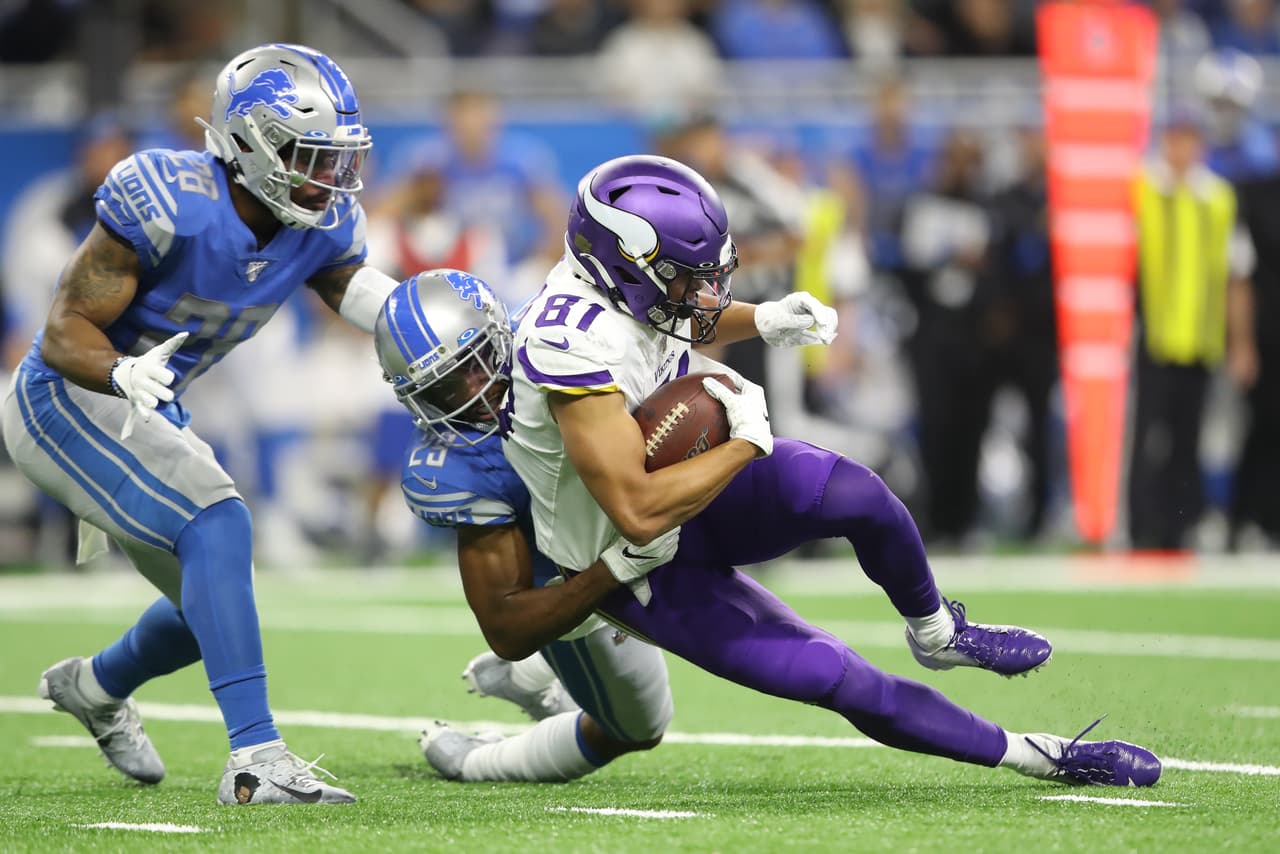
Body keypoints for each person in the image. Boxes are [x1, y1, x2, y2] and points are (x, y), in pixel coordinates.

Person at [381, 164, 1157, 786]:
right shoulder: (568, 353)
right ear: (626, 268)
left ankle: (938, 631)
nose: (706, 295)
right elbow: (642, 513)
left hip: (683, 483)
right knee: (836, 678)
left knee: (859, 494)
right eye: (689, 280)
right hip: (638, 558)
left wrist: (763, 316)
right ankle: (1043, 755)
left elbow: (673, 312)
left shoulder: (618, 285)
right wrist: (747, 441)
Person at [1, 43, 404, 805]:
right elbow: (63, 331)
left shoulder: (318, 221)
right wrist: (119, 369)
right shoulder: (167, 196)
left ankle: (93, 686)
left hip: (146, 406)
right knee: (220, 523)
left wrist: (423, 319)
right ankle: (256, 758)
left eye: (335, 158)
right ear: (251, 144)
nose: (329, 178)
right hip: (65, 397)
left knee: (213, 604)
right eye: (309, 156)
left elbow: (352, 287)